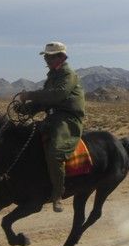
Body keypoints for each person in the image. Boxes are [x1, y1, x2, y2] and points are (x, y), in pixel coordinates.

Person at [16, 42, 85, 212]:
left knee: (55, 152)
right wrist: (27, 109)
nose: (46, 59)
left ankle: (57, 194)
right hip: (53, 117)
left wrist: (30, 95)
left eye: (50, 56)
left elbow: (57, 94)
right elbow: (44, 101)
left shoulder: (68, 74)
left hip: (68, 118)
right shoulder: (52, 76)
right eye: (46, 56)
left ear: (61, 57)